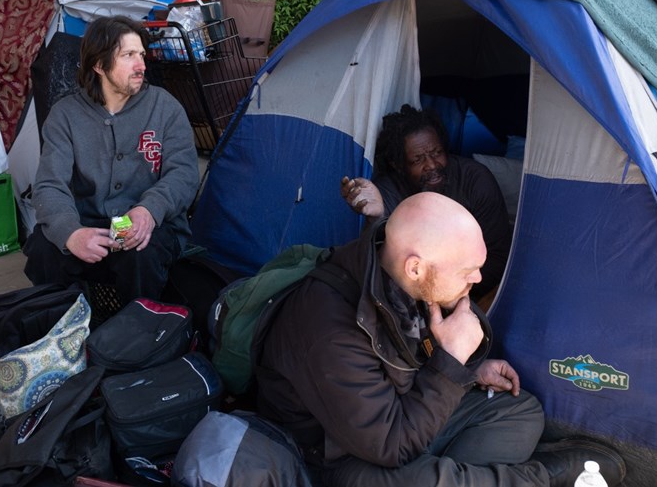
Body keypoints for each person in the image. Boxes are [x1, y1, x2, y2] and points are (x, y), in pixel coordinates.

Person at [255, 192, 625, 487]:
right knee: (423, 474)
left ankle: (455, 476)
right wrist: (450, 363)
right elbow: (391, 444)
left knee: (520, 411)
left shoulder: (399, 273)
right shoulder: (330, 332)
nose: (478, 280)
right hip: (342, 455)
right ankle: (541, 478)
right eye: (468, 271)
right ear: (415, 266)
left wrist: (468, 369)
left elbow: (405, 363)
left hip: (401, 416)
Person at [23, 15, 199, 303]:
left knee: (140, 252)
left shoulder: (165, 107)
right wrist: (71, 232)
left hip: (140, 222)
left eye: (141, 54)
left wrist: (149, 210)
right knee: (43, 247)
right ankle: (63, 329)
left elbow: (184, 174)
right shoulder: (66, 115)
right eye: (128, 55)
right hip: (88, 224)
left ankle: (138, 336)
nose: (141, 65)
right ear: (99, 64)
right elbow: (50, 184)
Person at [341, 104, 511, 302]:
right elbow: (376, 268)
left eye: (437, 153)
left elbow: (499, 258)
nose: (431, 165)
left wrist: (453, 298)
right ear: (398, 166)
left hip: (471, 292)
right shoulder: (386, 192)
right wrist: (375, 218)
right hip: (412, 299)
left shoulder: (475, 180)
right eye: (418, 160)